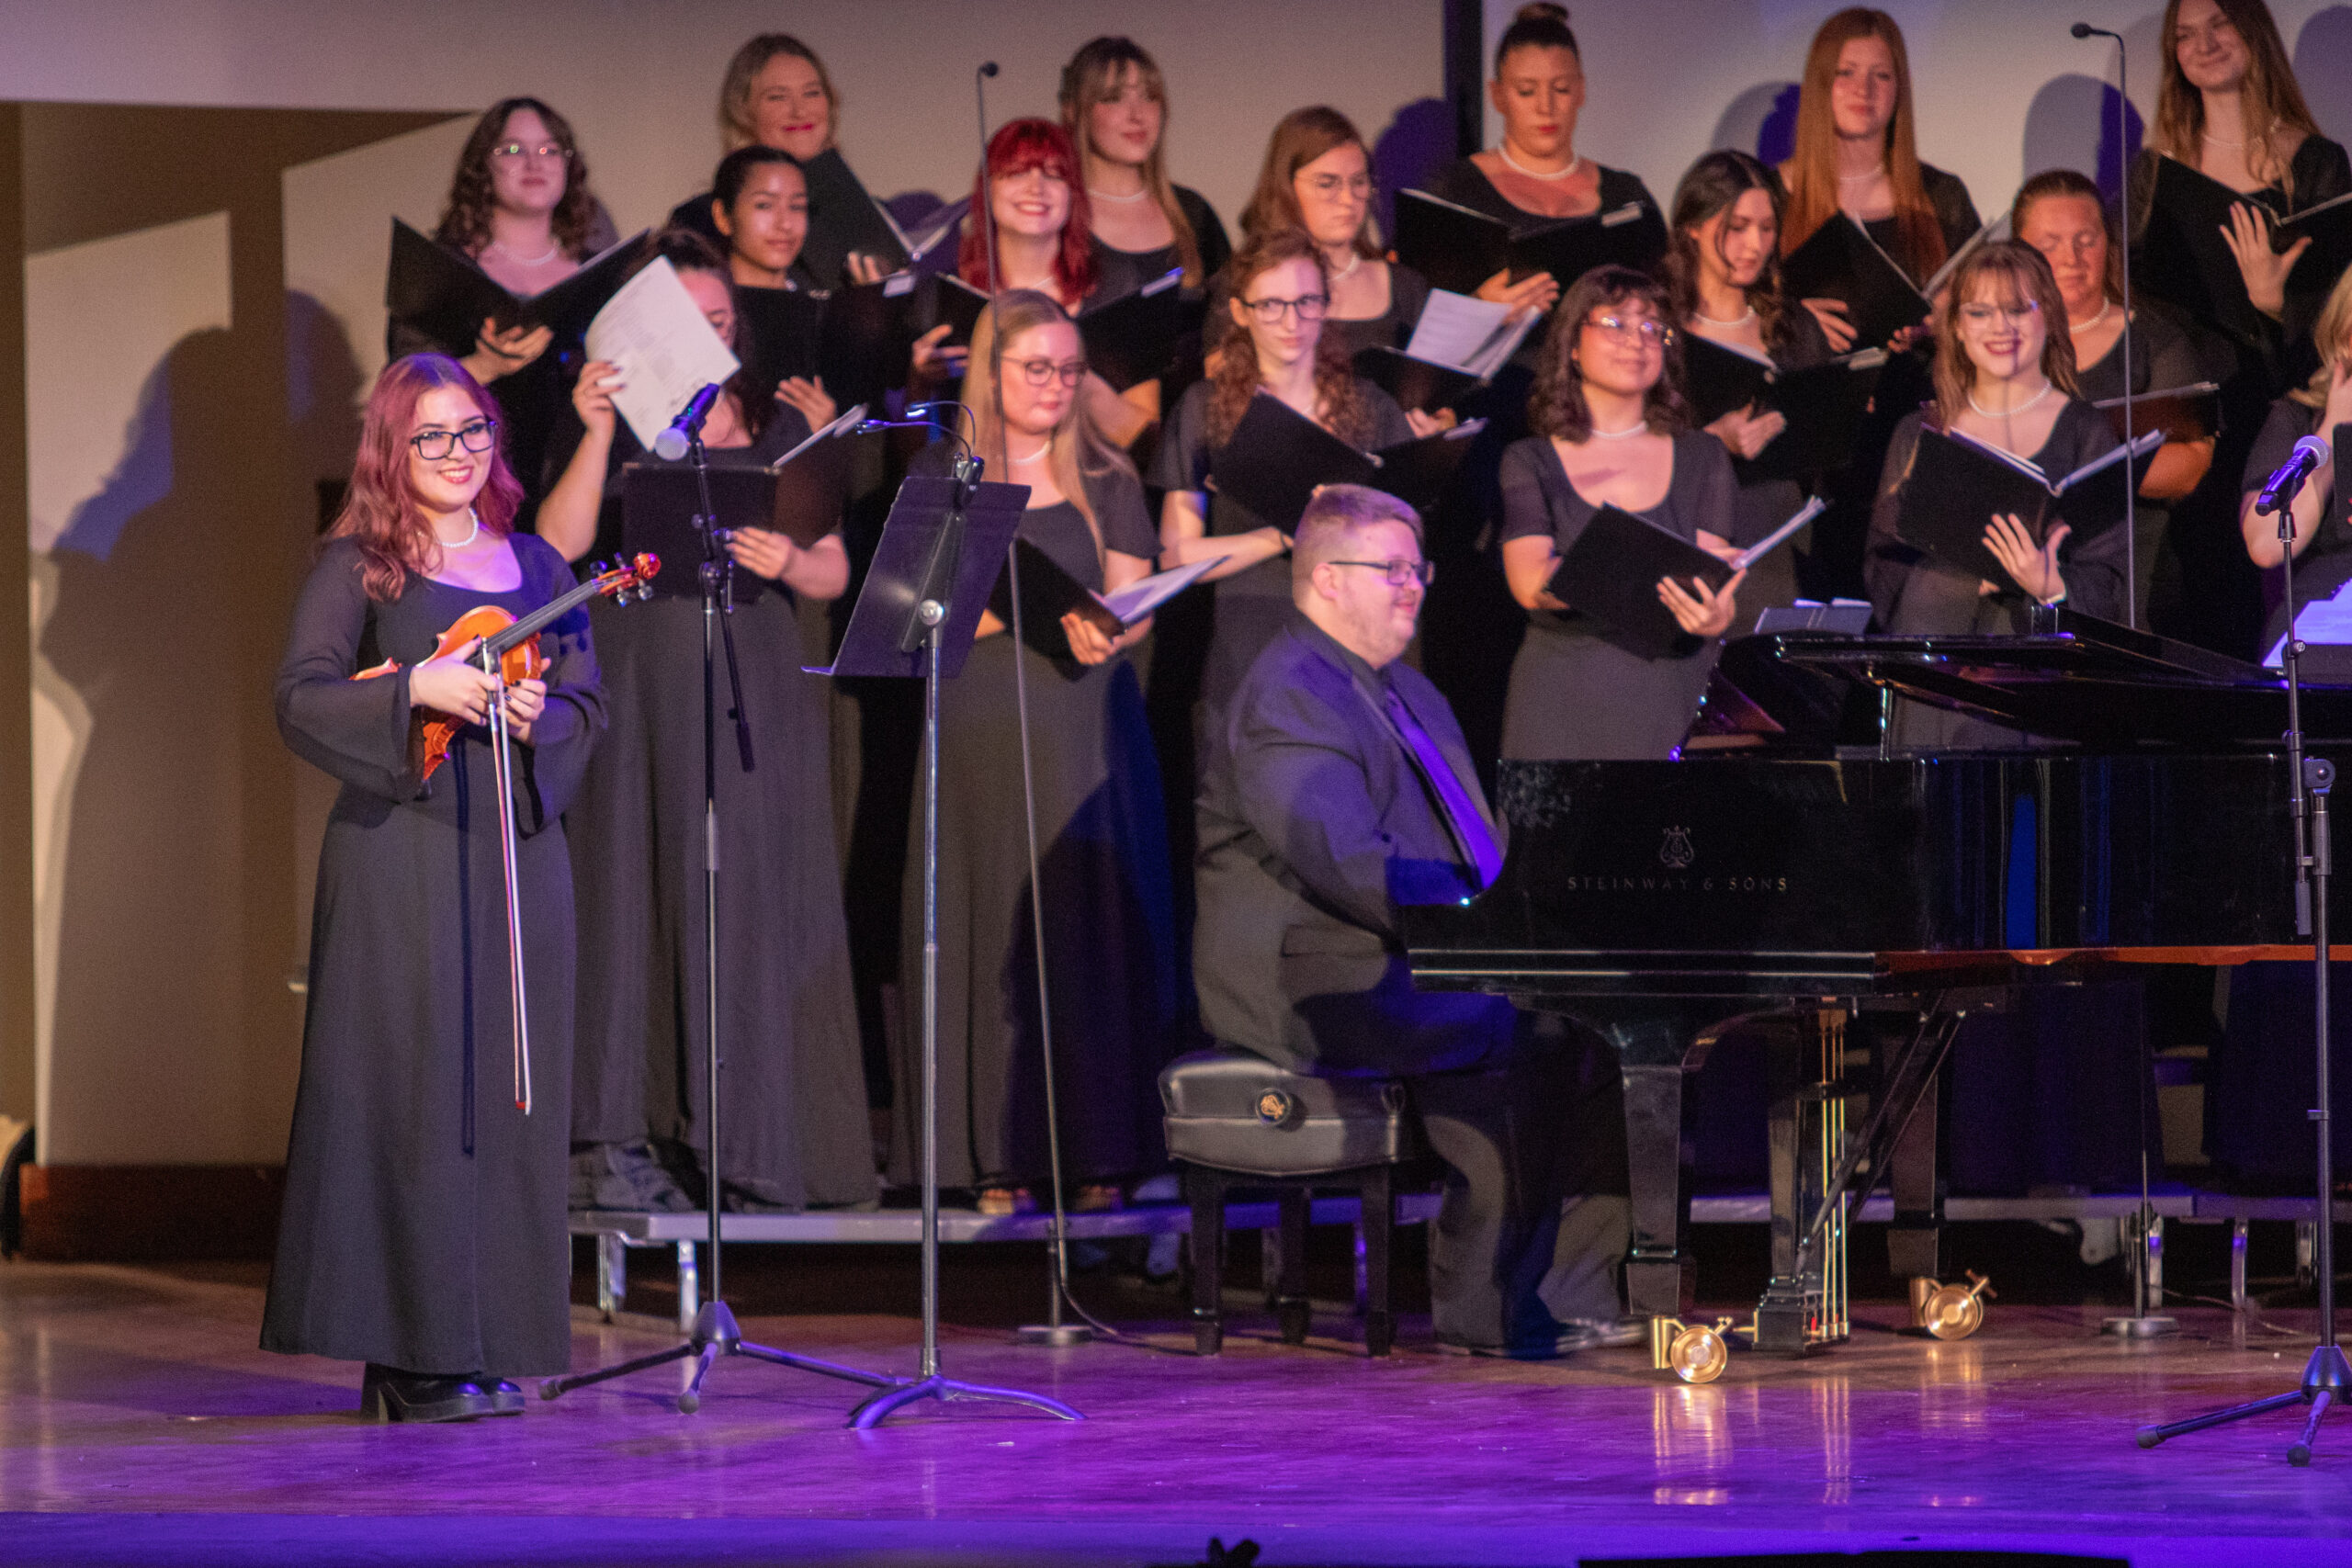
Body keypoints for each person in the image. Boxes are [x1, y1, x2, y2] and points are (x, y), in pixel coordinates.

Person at [1193, 483, 1623, 1356]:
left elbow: (1475, 847)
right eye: (1388, 569)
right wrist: (1492, 937)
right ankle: (1490, 1306)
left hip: (1395, 955)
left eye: (1416, 567)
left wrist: (1531, 917)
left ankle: (1571, 1288)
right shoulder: (1290, 693)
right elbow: (1352, 866)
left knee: (1601, 1018)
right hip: (1313, 976)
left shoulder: (1409, 693)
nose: (1412, 585)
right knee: (1529, 1025)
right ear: (1323, 581)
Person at [263, 353, 605, 1420]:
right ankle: (408, 1361)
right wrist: (418, 684)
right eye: (431, 438)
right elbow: (300, 699)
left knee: (506, 1104)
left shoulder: (544, 567)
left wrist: (534, 716)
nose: (457, 455)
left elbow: (588, 708)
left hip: (516, 857)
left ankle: (489, 1341)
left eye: (473, 433)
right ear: (392, 452)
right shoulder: (361, 565)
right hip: (401, 862)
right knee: (412, 1101)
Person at [537, 231, 875, 1214]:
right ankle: (632, 1137)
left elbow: (832, 569)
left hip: (754, 682)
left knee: (753, 897)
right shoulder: (611, 421)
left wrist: (784, 560)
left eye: (723, 320)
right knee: (645, 889)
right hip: (645, 681)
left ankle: (763, 1146)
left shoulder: (774, 419)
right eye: (692, 321)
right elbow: (556, 550)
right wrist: (596, 431)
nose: (713, 335)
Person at [893, 289, 1177, 1211]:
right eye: (1035, 369)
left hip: (1085, 721)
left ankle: (1099, 1150)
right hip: (982, 722)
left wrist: (1109, 628)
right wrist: (1008, 609)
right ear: (992, 371)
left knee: (1083, 923)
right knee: (993, 911)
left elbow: (1128, 599)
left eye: (1068, 369)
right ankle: (995, 1158)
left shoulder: (1108, 474)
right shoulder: (947, 475)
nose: (1055, 386)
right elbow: (917, 624)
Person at [1864, 242, 2130, 749]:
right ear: (1958, 328)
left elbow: (2111, 579)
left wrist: (2049, 584)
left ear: (2048, 317)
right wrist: (1957, 577)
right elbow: (1883, 566)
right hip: (1932, 673)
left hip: (2032, 683)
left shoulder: (2086, 433)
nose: (2000, 328)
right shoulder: (1919, 431)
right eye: (1980, 312)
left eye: (2017, 309)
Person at [1154, 227, 1419, 716]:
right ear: (1240, 312)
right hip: (1254, 630)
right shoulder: (1204, 408)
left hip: (1358, 626)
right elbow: (1177, 555)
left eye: (1306, 302)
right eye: (1271, 305)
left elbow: (1411, 534)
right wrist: (1282, 538)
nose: (1291, 321)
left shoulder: (1373, 407)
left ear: (1326, 304)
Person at [1498, 265, 1742, 761]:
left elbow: (1714, 581)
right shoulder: (1529, 460)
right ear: (1571, 343)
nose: (1637, 341)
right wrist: (1642, 571)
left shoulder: (1703, 455)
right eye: (1615, 324)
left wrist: (1715, 615)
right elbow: (1529, 584)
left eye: (1653, 329)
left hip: (1670, 692)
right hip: (1564, 697)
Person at [390, 98, 619, 525]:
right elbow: (402, 391)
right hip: (468, 485)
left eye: (551, 150)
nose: (534, 162)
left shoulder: (599, 272)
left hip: (575, 484)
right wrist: (484, 366)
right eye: (512, 150)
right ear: (483, 168)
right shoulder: (439, 270)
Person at [2012, 170, 2215, 623]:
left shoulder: (2155, 340)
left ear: (2109, 243)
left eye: (2086, 239)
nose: (2071, 259)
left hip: (2133, 570)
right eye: (2050, 244)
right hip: (2016, 575)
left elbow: (2190, 464)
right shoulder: (1998, 343)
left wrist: (2072, 459)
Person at [1665, 150, 1837, 624]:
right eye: (1737, 227)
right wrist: (1712, 442)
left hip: (1779, 543)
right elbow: (1625, 445)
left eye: (1766, 228)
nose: (1755, 245)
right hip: (1687, 541)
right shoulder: (1659, 329)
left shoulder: (1793, 327)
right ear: (1693, 226)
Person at [1421, 4, 1663, 328]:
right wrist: (1478, 311)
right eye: (1526, 91)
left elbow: (1663, 302)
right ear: (1498, 95)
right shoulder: (1454, 191)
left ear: (1580, 89)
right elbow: (1417, 321)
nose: (1545, 107)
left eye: (1560, 89)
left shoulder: (1626, 196)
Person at [1779, 6, 1981, 346]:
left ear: (1900, 88)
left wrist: (1951, 320)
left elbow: (1990, 306)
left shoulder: (1942, 196)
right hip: (1807, 395)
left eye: (1882, 75)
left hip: (1921, 394)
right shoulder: (1770, 197)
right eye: (1846, 72)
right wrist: (1788, 321)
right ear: (1820, 83)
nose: (1864, 89)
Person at [955, 118, 1154, 448]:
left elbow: (1149, 442)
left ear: (1073, 193)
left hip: (1093, 484)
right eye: (1017, 173)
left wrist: (1072, 379)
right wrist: (919, 381)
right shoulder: (953, 289)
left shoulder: (1117, 284)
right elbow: (913, 445)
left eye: (1054, 175)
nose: (1037, 188)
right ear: (986, 190)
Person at [667, 34, 890, 287]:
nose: (799, 111)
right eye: (777, 97)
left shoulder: (868, 216)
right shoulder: (700, 220)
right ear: (742, 111)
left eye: (812, 93)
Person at [1236, 106, 1430, 364]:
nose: (1348, 199)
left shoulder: (1407, 288)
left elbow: (1431, 389)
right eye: (1327, 184)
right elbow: (1227, 389)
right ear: (1285, 188)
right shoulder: (1246, 283)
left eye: (1358, 182)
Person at [1058, 36, 1231, 290]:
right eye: (1113, 98)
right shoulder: (1055, 215)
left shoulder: (1193, 212)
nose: (1137, 115)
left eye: (1149, 96)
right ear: (1074, 112)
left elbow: (1231, 318)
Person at [706, 144, 839, 421]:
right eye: (764, 205)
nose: (785, 224)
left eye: (797, 207)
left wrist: (829, 430)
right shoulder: (701, 311)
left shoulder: (824, 310)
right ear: (723, 216)